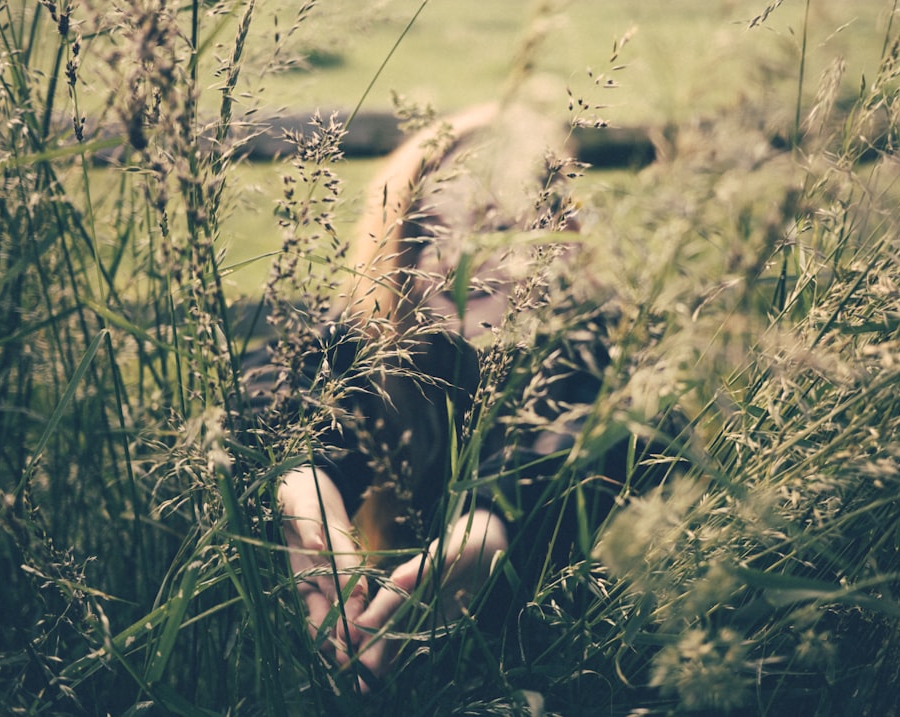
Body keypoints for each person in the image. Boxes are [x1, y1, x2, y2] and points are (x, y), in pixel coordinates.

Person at [244, 101, 679, 691]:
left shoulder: (610, 354)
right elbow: (292, 386)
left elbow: (577, 435)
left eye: (497, 227)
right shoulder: (391, 353)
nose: (458, 260)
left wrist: (492, 524)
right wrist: (303, 480)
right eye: (428, 232)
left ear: (565, 241)